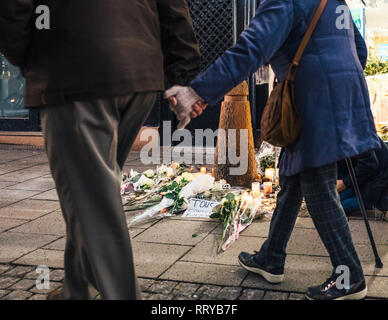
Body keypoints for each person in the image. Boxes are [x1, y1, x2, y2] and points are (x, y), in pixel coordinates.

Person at [165, 0, 380, 300]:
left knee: (318, 187)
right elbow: (359, 48)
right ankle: (272, 257)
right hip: (340, 93)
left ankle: (350, 275)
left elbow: (250, 50)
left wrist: (196, 93)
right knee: (293, 177)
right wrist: (334, 76)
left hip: (313, 98)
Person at [0, 0, 200, 299]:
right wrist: (182, 74)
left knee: (94, 202)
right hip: (139, 75)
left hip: (73, 71)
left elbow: (13, 10)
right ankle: (76, 291)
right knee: (89, 192)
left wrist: (30, 57)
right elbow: (173, 7)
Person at [337, 137, 388, 216]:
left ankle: (376, 201)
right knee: (327, 202)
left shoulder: (353, 135)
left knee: (332, 208)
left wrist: (344, 183)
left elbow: (369, 164)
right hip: (361, 179)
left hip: (376, 184)